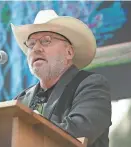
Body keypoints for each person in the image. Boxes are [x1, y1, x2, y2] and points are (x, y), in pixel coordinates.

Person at [11, 10, 112, 147]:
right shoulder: (21, 100)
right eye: (31, 44)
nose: (36, 49)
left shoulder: (91, 85)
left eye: (46, 41)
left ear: (69, 52)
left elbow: (79, 132)